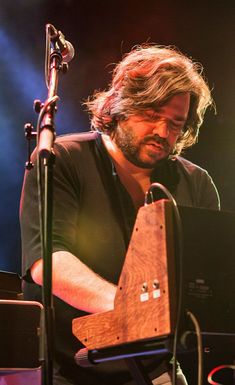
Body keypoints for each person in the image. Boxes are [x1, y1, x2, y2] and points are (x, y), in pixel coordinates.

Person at [20, 44, 220, 385]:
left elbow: (212, 275)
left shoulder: (196, 183)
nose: (162, 132)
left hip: (157, 368)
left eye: (175, 124)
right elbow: (48, 261)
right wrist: (131, 308)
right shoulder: (61, 159)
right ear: (121, 105)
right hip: (70, 368)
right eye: (152, 115)